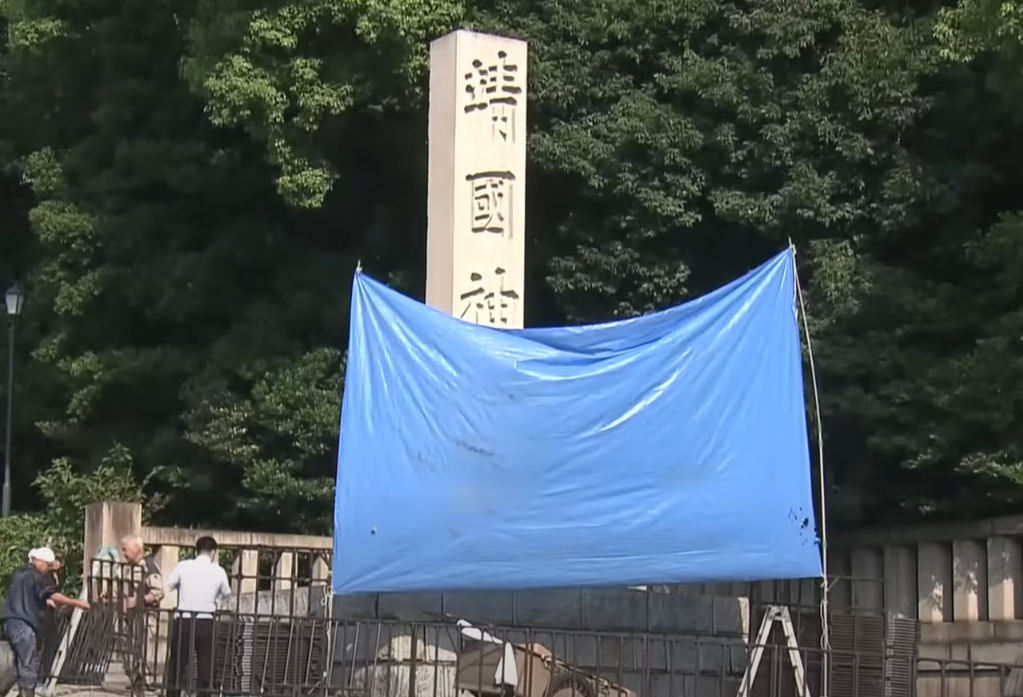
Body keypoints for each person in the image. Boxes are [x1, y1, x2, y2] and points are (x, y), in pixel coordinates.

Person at [1, 548, 89, 697]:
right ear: (39, 561)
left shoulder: (19, 574)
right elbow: (54, 595)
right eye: (47, 565)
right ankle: (27, 694)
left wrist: (46, 601)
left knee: (17, 664)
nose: (47, 569)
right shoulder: (36, 576)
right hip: (24, 624)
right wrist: (78, 603)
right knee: (29, 663)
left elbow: (31, 595)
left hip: (9, 622)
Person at [164, 536, 232, 697]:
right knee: (205, 664)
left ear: (196, 550)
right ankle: (203, 694)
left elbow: (169, 584)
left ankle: (173, 693)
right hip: (206, 620)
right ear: (214, 552)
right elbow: (227, 593)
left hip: (184, 618)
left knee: (178, 663)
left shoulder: (183, 566)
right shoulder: (219, 571)